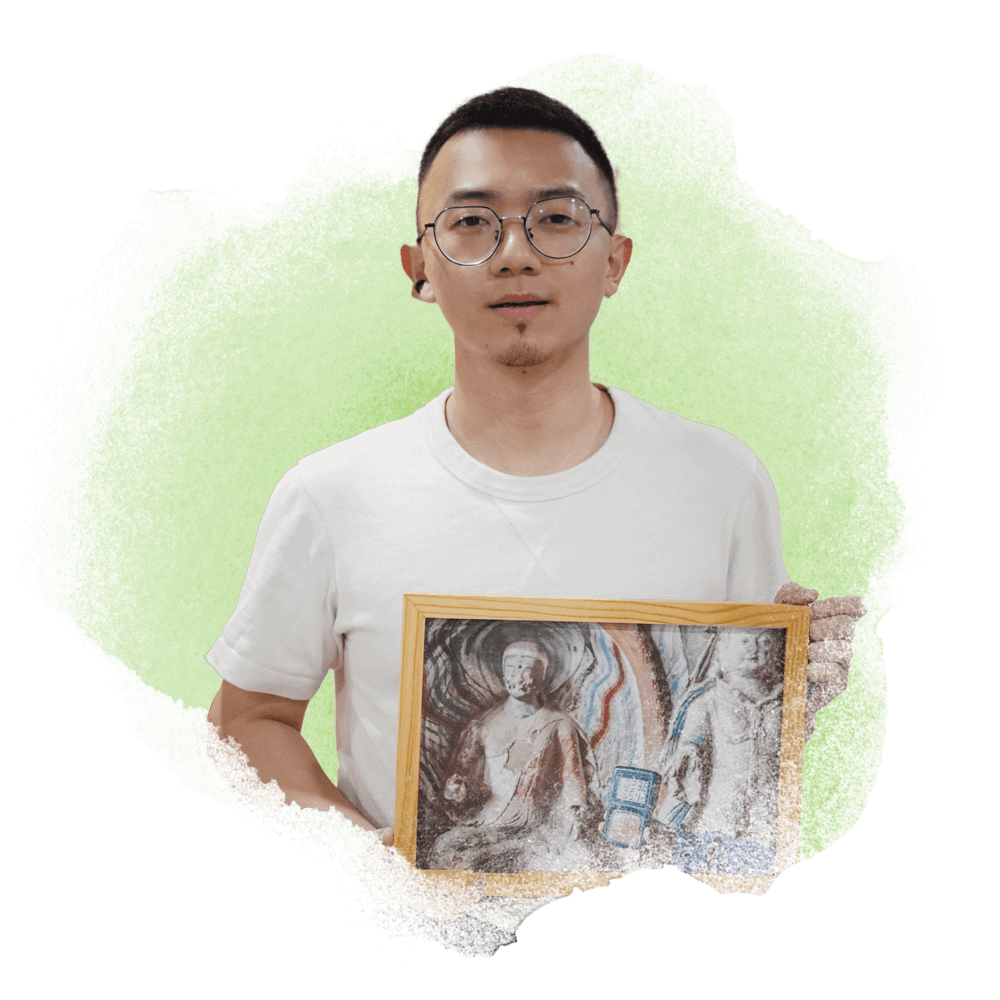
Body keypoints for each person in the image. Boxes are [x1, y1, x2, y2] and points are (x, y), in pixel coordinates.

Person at [205, 86, 867, 928]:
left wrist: (781, 715)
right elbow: (247, 719)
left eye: (556, 219)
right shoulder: (332, 492)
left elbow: (698, 760)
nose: (514, 254)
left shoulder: (722, 477)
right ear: (420, 268)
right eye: (472, 223)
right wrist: (353, 849)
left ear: (615, 258)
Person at [426, 640, 603, 874]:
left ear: (541, 677)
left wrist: (575, 807)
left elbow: (572, 777)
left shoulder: (560, 724)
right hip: (489, 822)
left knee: (581, 863)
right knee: (445, 849)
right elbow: (461, 784)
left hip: (541, 826)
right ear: (502, 672)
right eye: (511, 667)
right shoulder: (484, 725)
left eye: (525, 668)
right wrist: (456, 791)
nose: (517, 675)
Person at [658, 629, 783, 849]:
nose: (754, 650)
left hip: (768, 800)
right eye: (744, 640)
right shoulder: (710, 701)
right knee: (716, 855)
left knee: (767, 859)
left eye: (764, 641)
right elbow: (690, 744)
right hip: (724, 798)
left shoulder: (782, 703)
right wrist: (689, 756)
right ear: (723, 646)